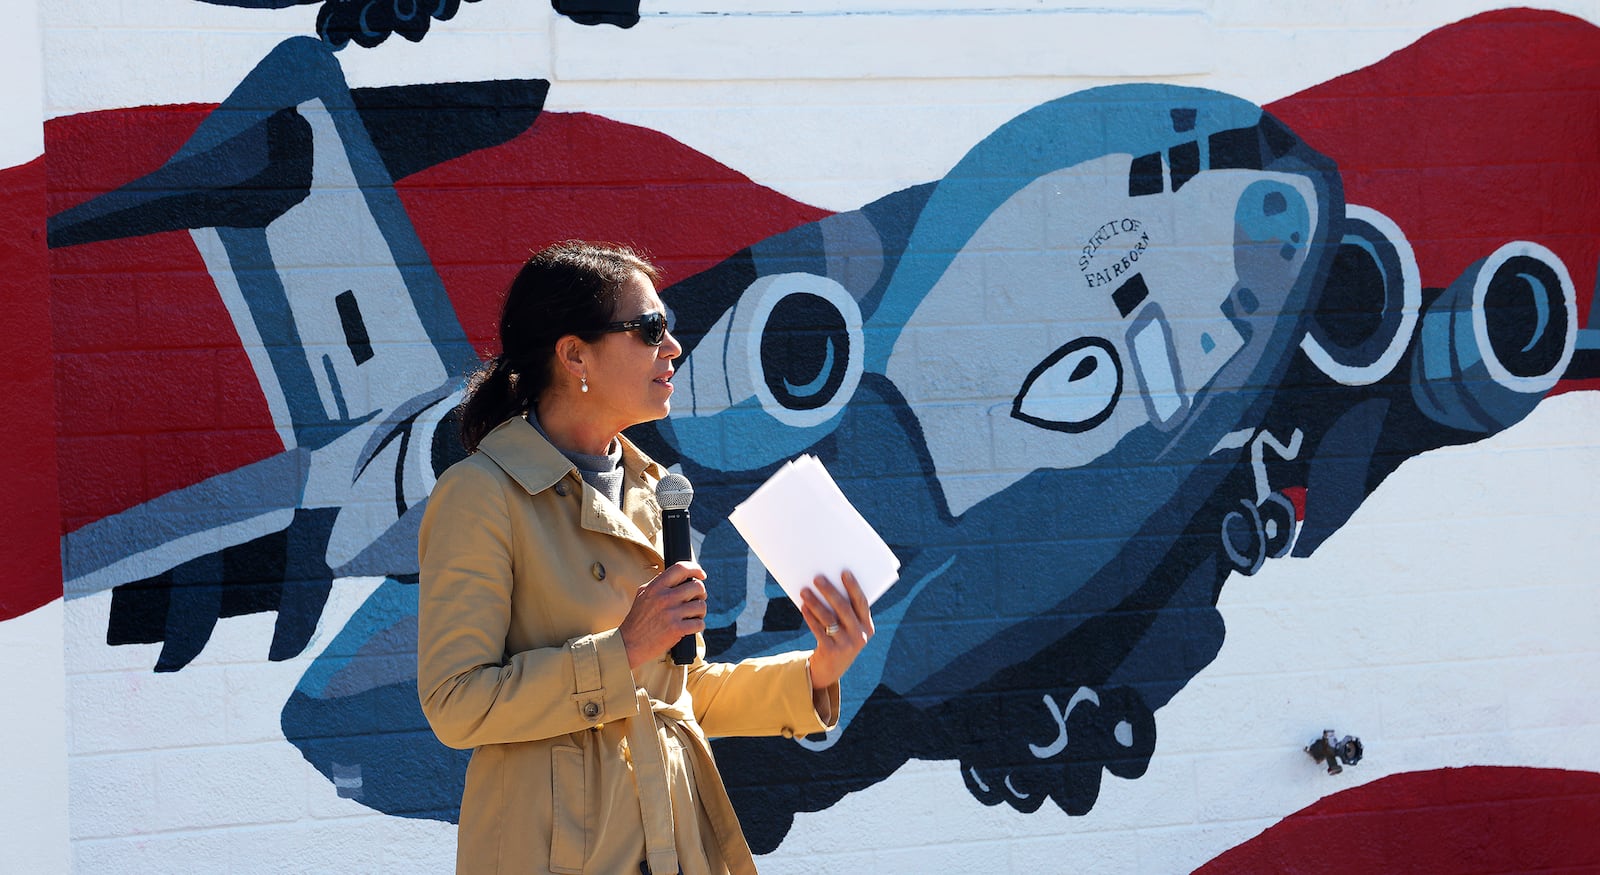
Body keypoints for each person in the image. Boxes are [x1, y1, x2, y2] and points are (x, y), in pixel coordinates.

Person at [417, 241, 874, 875]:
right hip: (552, 852)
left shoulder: (653, 491)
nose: (673, 348)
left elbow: (679, 691)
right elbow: (456, 704)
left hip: (671, 841)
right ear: (574, 353)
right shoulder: (481, 494)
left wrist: (817, 672)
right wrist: (623, 649)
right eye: (649, 329)